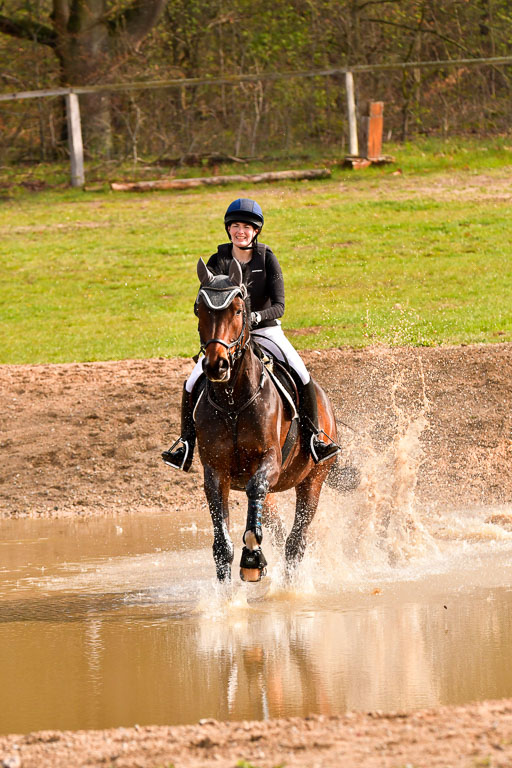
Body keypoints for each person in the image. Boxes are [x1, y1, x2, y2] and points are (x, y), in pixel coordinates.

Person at [162, 197, 340, 471]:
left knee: (301, 373)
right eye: (235, 226)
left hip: (265, 331)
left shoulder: (267, 258)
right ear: (228, 229)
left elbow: (280, 306)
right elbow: (204, 301)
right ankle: (185, 445)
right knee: (191, 382)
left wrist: (256, 316)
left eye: (246, 226)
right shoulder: (217, 260)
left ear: (255, 231)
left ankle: (315, 438)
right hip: (228, 337)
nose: (240, 231)